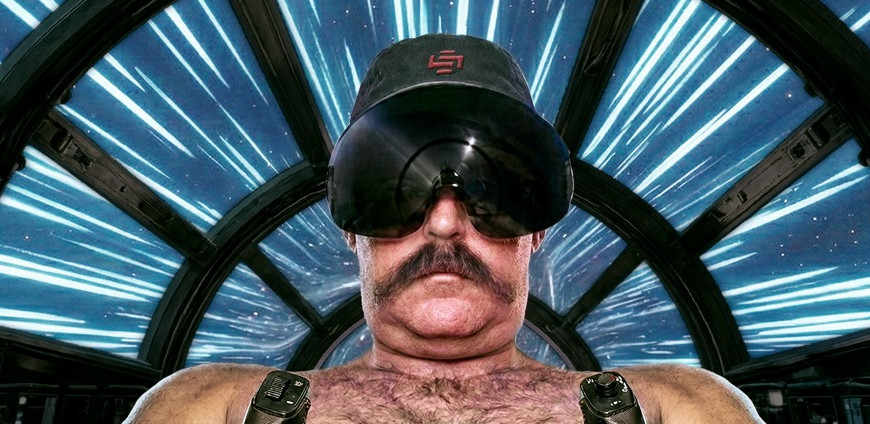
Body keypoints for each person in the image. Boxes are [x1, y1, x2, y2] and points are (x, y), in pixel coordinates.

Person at [124, 34, 764, 423]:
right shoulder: (211, 407)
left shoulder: (677, 407)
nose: (445, 222)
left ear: (537, 229)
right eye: (394, 190)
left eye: (493, 191)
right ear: (350, 227)